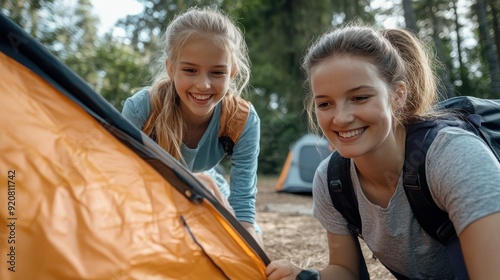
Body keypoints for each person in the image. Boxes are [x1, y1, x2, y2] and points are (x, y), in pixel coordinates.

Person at [266, 24, 500, 279]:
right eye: (325, 103)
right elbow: (346, 270)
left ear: (398, 95)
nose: (341, 118)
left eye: (360, 98)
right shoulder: (332, 181)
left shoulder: (453, 157)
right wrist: (306, 277)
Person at [121, 7, 263, 245]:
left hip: (208, 186)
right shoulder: (142, 109)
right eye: (190, 70)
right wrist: (184, 181)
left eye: (217, 72)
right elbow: (123, 182)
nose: (204, 85)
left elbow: (243, 208)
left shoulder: (242, 120)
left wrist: (251, 243)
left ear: (232, 74)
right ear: (171, 68)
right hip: (153, 194)